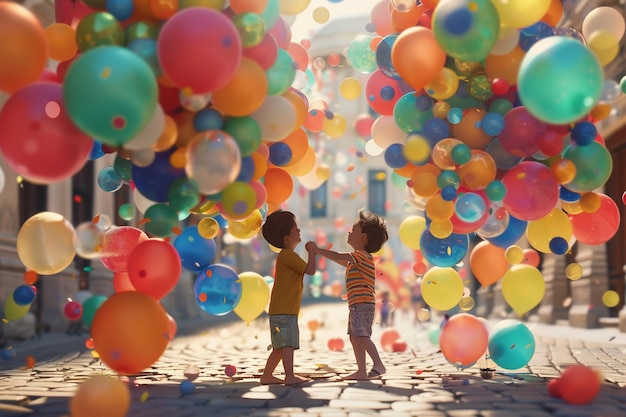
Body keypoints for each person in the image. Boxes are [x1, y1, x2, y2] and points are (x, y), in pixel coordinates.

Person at [310, 210, 389, 380]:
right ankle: (361, 370)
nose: (349, 232)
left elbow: (339, 256)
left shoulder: (360, 256)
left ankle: (378, 364)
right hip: (357, 304)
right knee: (355, 337)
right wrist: (323, 254)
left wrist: (318, 251)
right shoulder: (358, 258)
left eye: (353, 230)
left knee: (362, 336)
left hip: (362, 304)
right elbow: (340, 260)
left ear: (363, 238)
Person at [259, 210, 316, 386]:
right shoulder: (288, 255)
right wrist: (313, 252)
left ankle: (267, 375)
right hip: (285, 311)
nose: (299, 230)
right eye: (295, 228)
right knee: (288, 344)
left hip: (280, 310)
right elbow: (310, 270)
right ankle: (289, 376)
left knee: (280, 347)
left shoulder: (285, 256)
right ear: (286, 238)